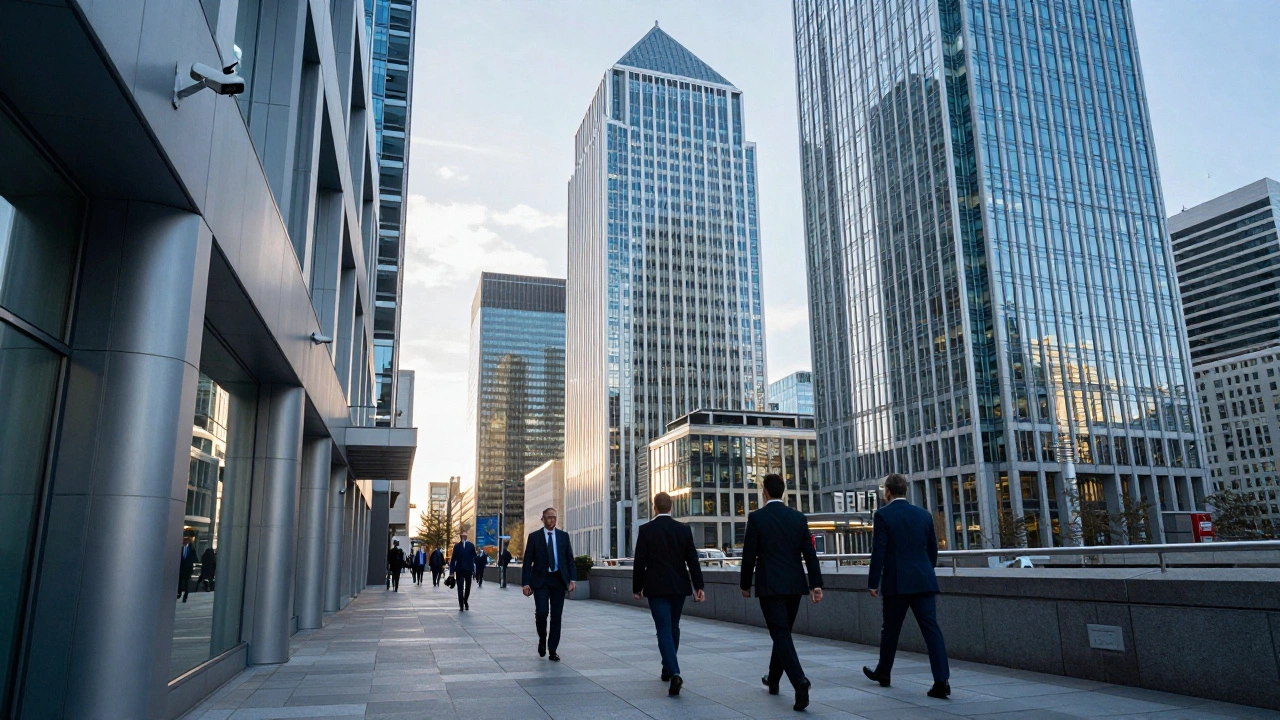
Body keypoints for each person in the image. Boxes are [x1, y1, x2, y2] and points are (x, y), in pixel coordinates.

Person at [863, 473, 951, 699]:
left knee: (890, 630)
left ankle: (884, 672)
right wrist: (925, 571)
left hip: (897, 583)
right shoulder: (924, 515)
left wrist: (873, 583)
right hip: (923, 580)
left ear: (888, 492)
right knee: (932, 631)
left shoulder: (882, 515)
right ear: (906, 491)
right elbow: (932, 549)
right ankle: (941, 681)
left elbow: (879, 551)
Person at [740, 473, 823, 712]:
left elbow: (749, 555)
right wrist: (816, 584)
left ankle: (799, 681)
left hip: (770, 585)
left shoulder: (757, 518)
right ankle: (773, 679)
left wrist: (745, 584)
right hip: (795, 585)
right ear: (783, 492)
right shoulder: (797, 517)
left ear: (764, 492)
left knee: (780, 633)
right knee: (782, 632)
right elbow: (809, 553)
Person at [633, 492, 705, 696]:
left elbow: (640, 562)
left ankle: (674, 672)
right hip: (678, 586)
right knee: (674, 626)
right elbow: (693, 559)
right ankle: (667, 669)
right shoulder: (683, 530)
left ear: (654, 507)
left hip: (656, 587)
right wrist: (698, 586)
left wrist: (637, 588)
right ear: (671, 506)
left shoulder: (646, 530)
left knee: (663, 628)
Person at [521, 507, 576, 662]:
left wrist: (572, 579)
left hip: (559, 580)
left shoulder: (563, 536)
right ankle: (542, 639)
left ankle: (552, 649)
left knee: (556, 616)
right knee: (542, 613)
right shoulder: (534, 537)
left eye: (554, 517)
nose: (552, 520)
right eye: (549, 517)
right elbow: (527, 562)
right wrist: (525, 583)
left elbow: (569, 559)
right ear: (543, 519)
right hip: (540, 581)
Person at [450, 532, 478, 611]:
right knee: (460, 587)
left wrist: (475, 570)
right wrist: (451, 572)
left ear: (466, 537)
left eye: (465, 536)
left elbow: (474, 558)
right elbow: (453, 560)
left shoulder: (471, 546)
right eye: (462, 536)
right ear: (460, 537)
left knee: (468, 587)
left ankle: (465, 600)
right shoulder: (457, 546)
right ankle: (461, 605)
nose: (463, 537)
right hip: (459, 570)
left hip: (468, 570)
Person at [177, 537, 196, 603]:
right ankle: (179, 593)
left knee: (186, 583)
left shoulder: (191, 549)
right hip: (181, 568)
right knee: (179, 581)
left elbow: (194, 558)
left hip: (187, 568)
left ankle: (185, 595)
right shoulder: (181, 548)